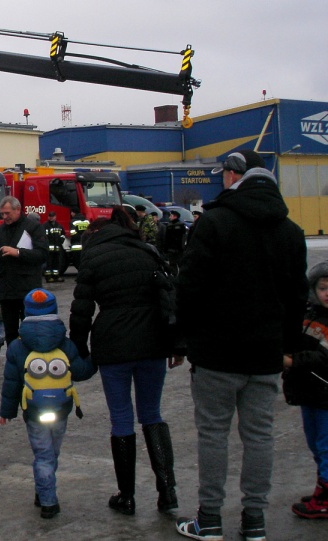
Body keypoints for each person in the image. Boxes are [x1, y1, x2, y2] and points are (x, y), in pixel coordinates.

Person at [175, 150, 307, 541]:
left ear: (234, 177)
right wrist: (287, 347)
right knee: (260, 436)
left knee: (213, 435)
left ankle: (210, 519)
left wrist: (185, 340)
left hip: (216, 352)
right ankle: (254, 522)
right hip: (266, 354)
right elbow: (297, 297)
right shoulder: (291, 232)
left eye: (225, 174)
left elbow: (190, 287)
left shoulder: (214, 222)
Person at [69, 206, 182, 517]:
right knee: (152, 414)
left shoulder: (93, 257)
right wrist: (176, 343)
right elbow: (169, 297)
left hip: (114, 344)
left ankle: (127, 495)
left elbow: (81, 309)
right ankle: (167, 491)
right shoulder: (148, 252)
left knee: (121, 418)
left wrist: (79, 348)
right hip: (152, 342)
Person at [0, 289, 95, 519]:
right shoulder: (65, 344)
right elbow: (81, 372)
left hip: (34, 410)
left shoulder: (18, 347)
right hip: (61, 409)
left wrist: (6, 412)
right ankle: (45, 493)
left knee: (42, 455)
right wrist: (95, 359)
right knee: (53, 452)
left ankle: (47, 501)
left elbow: (11, 383)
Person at [283, 261, 328, 519]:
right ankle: (323, 488)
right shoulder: (309, 314)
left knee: (325, 445)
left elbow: (322, 358)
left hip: (325, 395)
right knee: (314, 442)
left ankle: (325, 496)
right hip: (309, 393)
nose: (327, 293)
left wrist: (291, 361)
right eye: (322, 287)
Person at [0, 196, 48, 348]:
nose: (5, 217)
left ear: (18, 209)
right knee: (10, 332)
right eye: (2, 214)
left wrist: (18, 253)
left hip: (28, 288)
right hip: (7, 291)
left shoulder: (33, 227)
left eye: (7, 213)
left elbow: (42, 254)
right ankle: (14, 361)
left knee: (31, 330)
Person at [42, 211, 66, 283]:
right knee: (49, 264)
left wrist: (61, 240)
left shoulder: (59, 225)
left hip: (57, 248)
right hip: (49, 249)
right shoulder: (45, 226)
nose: (51, 218)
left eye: (52, 216)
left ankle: (56, 277)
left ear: (55, 217)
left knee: (56, 263)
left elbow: (63, 234)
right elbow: (43, 237)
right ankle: (48, 278)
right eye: (50, 216)